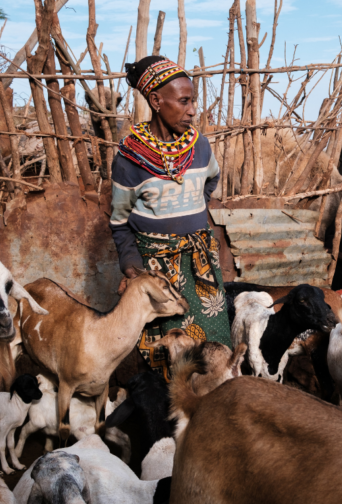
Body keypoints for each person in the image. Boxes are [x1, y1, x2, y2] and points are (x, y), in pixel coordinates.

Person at [109, 56, 230, 374]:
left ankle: (213, 413)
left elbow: (211, 180)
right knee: (171, 358)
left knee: (215, 349)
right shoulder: (130, 159)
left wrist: (194, 210)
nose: (192, 110)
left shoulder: (200, 147)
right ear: (156, 101)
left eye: (193, 101)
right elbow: (119, 223)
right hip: (160, 272)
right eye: (184, 101)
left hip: (201, 264)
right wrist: (134, 268)